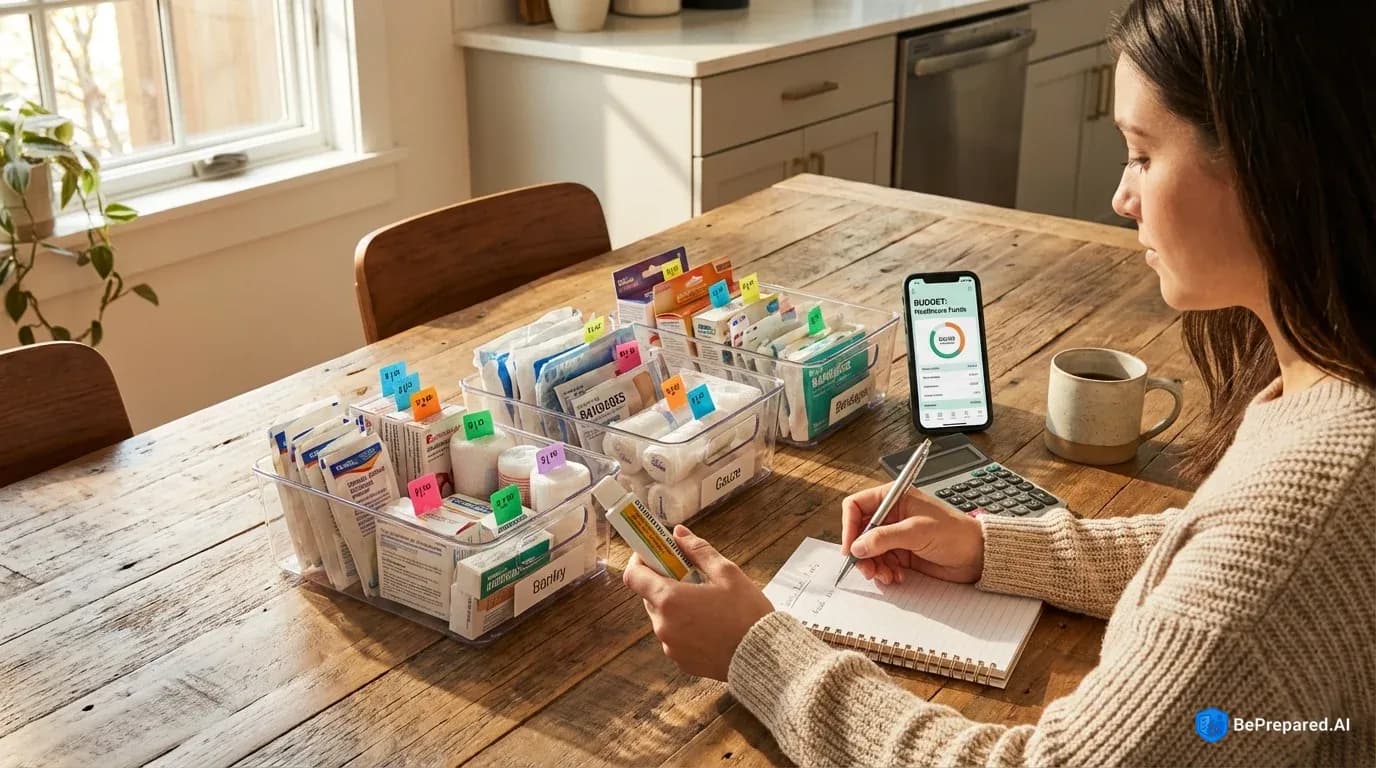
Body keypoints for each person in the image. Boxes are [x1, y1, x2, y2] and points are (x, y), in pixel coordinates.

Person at [622, 0, 1376, 764]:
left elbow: (1260, 570)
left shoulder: (1316, 494)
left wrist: (759, 651)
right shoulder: (1333, 393)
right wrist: (992, 547)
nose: (1122, 198)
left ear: (1272, 162)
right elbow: (1221, 561)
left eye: (1144, 156)